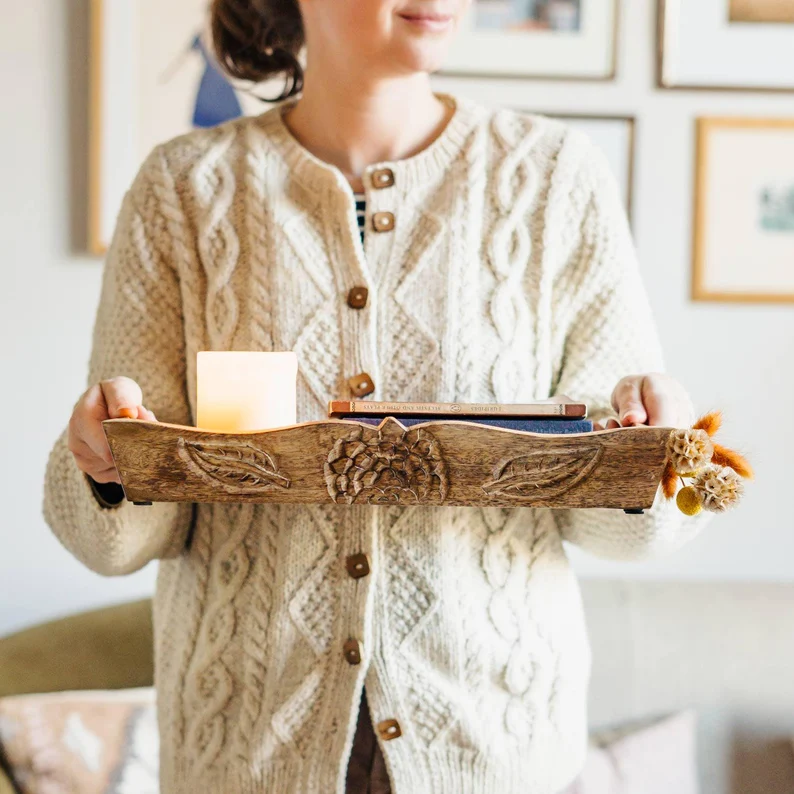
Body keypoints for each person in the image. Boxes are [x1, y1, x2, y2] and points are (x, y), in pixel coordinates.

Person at [42, 0, 713, 792]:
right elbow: (112, 536)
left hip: (491, 753)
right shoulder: (183, 190)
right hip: (244, 756)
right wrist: (104, 463)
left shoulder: (555, 179)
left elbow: (624, 530)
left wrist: (650, 455)